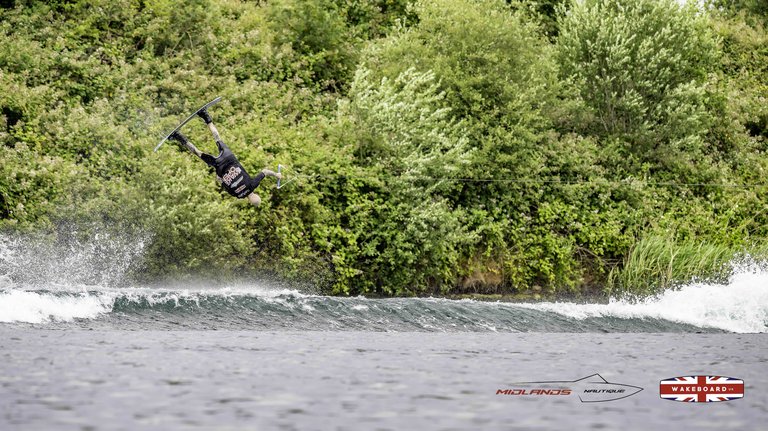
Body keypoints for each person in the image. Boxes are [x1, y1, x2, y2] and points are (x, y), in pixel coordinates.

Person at [169, 108, 280, 207]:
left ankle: (204, 115)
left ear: (256, 194)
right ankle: (178, 136)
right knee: (197, 152)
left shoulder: (253, 185)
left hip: (229, 157)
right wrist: (220, 176)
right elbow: (220, 180)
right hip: (218, 165)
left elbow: (265, 171)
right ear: (249, 202)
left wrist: (276, 174)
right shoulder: (237, 195)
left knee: (217, 138)